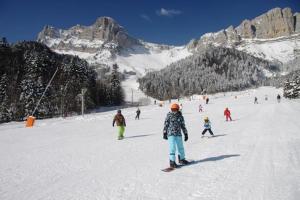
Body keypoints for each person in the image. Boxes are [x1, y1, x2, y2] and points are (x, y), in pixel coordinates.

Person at [163, 103, 189, 168]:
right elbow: (166, 124)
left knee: (181, 147)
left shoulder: (180, 116)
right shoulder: (169, 116)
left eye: (175, 109)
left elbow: (183, 126)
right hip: (171, 134)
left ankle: (181, 159)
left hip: (178, 134)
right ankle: (172, 162)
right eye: (172, 109)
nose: (174, 111)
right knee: (172, 148)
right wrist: (164, 133)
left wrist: (185, 134)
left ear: (177, 109)